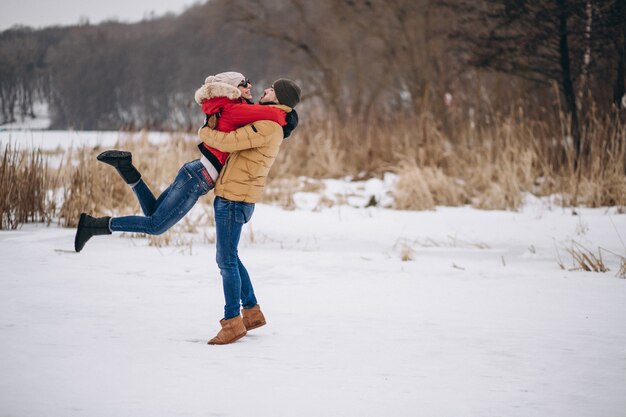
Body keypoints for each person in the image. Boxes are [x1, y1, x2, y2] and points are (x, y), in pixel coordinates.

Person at [74, 72, 287, 252]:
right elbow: (274, 115)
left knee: (152, 213)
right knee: (155, 226)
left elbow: (260, 115)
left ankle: (126, 168)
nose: (250, 85)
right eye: (244, 83)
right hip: (197, 178)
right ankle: (94, 225)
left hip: (194, 172)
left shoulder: (229, 106)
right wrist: (290, 115)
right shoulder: (234, 109)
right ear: (231, 88)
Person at [198, 78, 301, 345]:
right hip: (237, 196)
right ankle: (252, 312)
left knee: (226, 261)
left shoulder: (268, 125)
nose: (265, 90)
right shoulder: (271, 122)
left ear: (279, 99)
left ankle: (232, 322)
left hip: (234, 198)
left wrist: (203, 133)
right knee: (230, 256)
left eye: (271, 90)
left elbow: (229, 142)